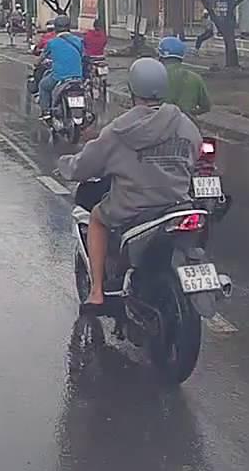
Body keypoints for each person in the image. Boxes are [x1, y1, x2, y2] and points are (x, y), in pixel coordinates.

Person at [57, 58, 203, 315]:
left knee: (97, 219)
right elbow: (195, 152)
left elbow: (86, 165)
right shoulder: (183, 123)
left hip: (132, 208)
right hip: (177, 204)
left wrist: (66, 165)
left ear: (132, 88)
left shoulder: (120, 129)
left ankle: (97, 292)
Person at [38, 15, 86, 119]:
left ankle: (46, 112)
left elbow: (42, 57)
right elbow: (84, 55)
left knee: (43, 85)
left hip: (59, 77)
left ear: (56, 28)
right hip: (78, 77)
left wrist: (38, 63)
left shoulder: (52, 42)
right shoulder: (78, 41)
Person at [157, 36, 211, 117]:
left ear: (161, 56)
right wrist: (189, 113)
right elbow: (206, 107)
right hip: (187, 122)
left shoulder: (154, 77)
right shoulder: (195, 78)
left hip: (160, 121)